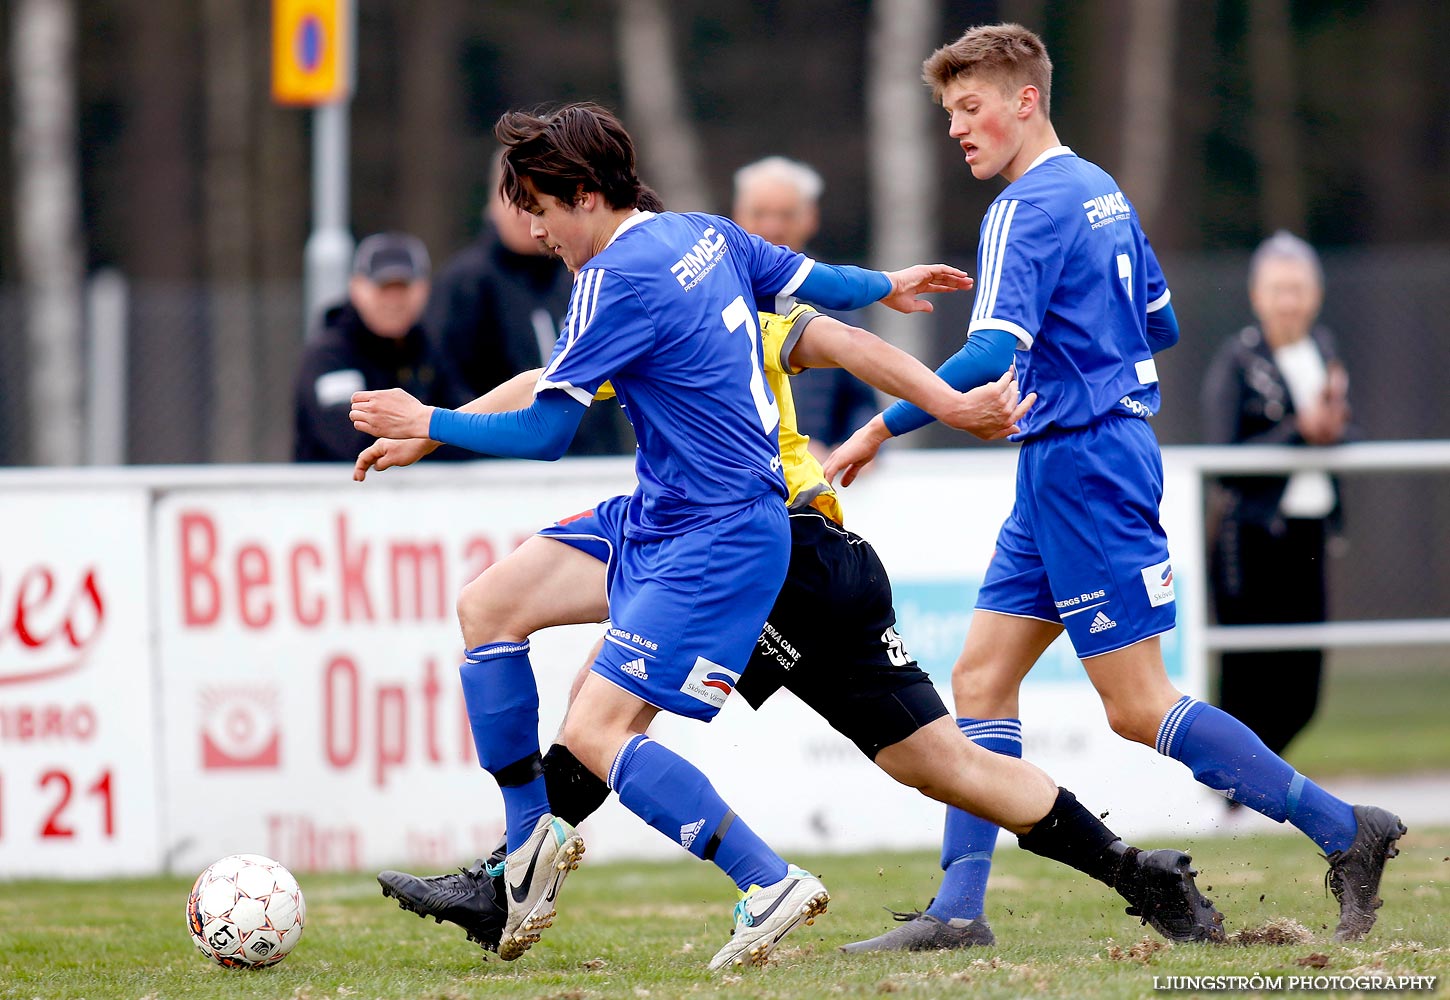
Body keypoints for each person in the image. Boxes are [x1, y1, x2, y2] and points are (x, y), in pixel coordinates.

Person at [362, 304, 1224, 964]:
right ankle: (1138, 874)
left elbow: (845, 341)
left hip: (780, 558)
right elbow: (553, 380)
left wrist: (941, 404)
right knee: (937, 762)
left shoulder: (709, 310)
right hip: (775, 550)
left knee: (607, 714)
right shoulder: (663, 308)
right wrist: (435, 427)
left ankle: (572, 881)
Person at [347, 101, 989, 969]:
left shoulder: (614, 281)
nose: (535, 232)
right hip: (660, 514)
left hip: (718, 536)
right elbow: (817, 283)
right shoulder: (702, 234)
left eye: (538, 208)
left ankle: (768, 883)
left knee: (602, 733)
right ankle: (527, 852)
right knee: (487, 607)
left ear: (580, 195)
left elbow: (545, 432)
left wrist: (430, 415)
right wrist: (889, 284)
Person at [824, 23, 1403, 952]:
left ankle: (1348, 830)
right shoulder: (1103, 190)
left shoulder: (1024, 207)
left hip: (1087, 465)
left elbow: (986, 353)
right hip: (1065, 461)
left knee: (1136, 706)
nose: (958, 131)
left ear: (1027, 100)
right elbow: (1160, 323)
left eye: (970, 109)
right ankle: (958, 912)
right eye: (948, 116)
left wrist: (876, 427)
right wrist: (1080, 359)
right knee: (979, 678)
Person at [1202, 231, 1351, 762]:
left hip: (1309, 532)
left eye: (1299, 288)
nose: (1289, 301)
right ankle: (1232, 788)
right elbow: (1223, 458)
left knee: (1304, 682)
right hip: (1252, 537)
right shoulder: (1239, 360)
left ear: (1316, 293)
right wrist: (1298, 431)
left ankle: (1264, 780)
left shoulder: (1324, 349)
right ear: (1256, 295)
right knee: (1248, 674)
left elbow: (1331, 436)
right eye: (1278, 288)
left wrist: (1332, 429)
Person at [426, 154, 633, 456]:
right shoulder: (463, 284)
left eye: (537, 206)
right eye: (517, 202)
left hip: (590, 466)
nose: (529, 219)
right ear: (492, 204)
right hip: (500, 470)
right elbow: (446, 382)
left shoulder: (586, 274)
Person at [732, 156, 879, 461]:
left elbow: (861, 400)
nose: (772, 226)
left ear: (810, 218)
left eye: (785, 215)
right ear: (737, 216)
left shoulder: (836, 296)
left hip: (817, 476)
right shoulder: (710, 289)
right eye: (760, 213)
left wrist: (858, 446)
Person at [293, 233, 465, 462]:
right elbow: (353, 442)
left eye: (403, 287)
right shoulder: (329, 356)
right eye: (383, 287)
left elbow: (465, 426)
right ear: (357, 289)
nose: (394, 300)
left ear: (424, 289)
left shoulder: (432, 349)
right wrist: (433, 434)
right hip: (338, 494)